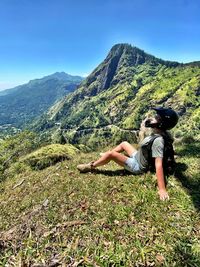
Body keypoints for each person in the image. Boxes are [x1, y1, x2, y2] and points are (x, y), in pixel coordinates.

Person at [77, 107, 179, 201]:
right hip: (139, 156)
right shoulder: (158, 133)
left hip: (138, 166)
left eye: (156, 118)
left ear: (161, 123)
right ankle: (106, 155)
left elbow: (158, 164)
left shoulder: (158, 141)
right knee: (124, 143)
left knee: (112, 154)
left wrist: (162, 189)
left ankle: (91, 166)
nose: (152, 119)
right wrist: (142, 133)